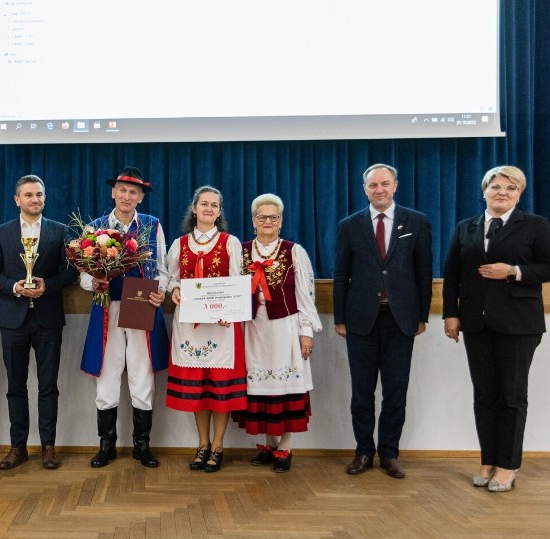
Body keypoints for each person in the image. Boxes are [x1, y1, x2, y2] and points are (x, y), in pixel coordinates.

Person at [443, 165, 550, 492]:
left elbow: (548, 267)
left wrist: (514, 271)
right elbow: (452, 274)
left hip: (518, 324)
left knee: (511, 396)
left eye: (510, 188)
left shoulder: (535, 225)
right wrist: (451, 314)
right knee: (485, 395)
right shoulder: (466, 227)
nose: (502, 192)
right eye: (496, 186)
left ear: (519, 193)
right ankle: (488, 459)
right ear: (484, 190)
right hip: (476, 323)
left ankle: (508, 464)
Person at [333, 163, 432, 479]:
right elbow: (340, 276)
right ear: (365, 189)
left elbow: (424, 273)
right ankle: (363, 451)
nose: (379, 189)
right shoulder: (350, 225)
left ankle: (389, 453)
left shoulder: (416, 221)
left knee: (395, 392)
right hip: (360, 321)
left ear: (395, 185)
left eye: (385, 184)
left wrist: (421, 315)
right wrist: (340, 318)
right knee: (361, 392)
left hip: (401, 321)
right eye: (373, 185)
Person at [0, 175, 78, 470]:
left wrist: (46, 285)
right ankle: (18, 447)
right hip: (13, 319)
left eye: (39, 194)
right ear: (17, 200)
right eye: (28, 195)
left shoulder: (60, 231)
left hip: (48, 319)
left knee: (48, 386)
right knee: (16, 386)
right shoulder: (2, 232)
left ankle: (48, 447)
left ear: (44, 198)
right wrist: (15, 287)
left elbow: (71, 272)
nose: (34, 199)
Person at [80, 166, 170, 469]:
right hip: (107, 306)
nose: (127, 196)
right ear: (113, 193)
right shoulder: (94, 228)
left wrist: (161, 291)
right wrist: (93, 282)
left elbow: (163, 268)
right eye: (122, 190)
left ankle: (141, 445)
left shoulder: (152, 225)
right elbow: (82, 273)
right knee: (107, 372)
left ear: (141, 197)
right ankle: (106, 445)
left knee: (142, 374)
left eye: (133, 192)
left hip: (141, 303)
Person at [231, 194, 322, 473]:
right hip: (252, 329)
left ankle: (285, 446)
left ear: (280, 221)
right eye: (262, 217)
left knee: (284, 386)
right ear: (253, 221)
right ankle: (269, 444)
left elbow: (306, 295)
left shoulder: (294, 251)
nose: (267, 222)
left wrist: (307, 332)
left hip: (285, 328)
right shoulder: (241, 251)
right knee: (260, 388)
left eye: (273, 217)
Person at [166, 185, 247, 473]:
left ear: (219, 212)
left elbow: (238, 283)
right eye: (204, 204)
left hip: (221, 328)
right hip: (190, 326)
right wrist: (174, 291)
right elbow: (171, 278)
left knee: (219, 390)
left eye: (215, 205)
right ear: (194, 208)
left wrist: (230, 311)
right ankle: (202, 443)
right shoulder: (179, 244)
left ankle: (218, 445)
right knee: (199, 389)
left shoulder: (230, 243)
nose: (209, 209)